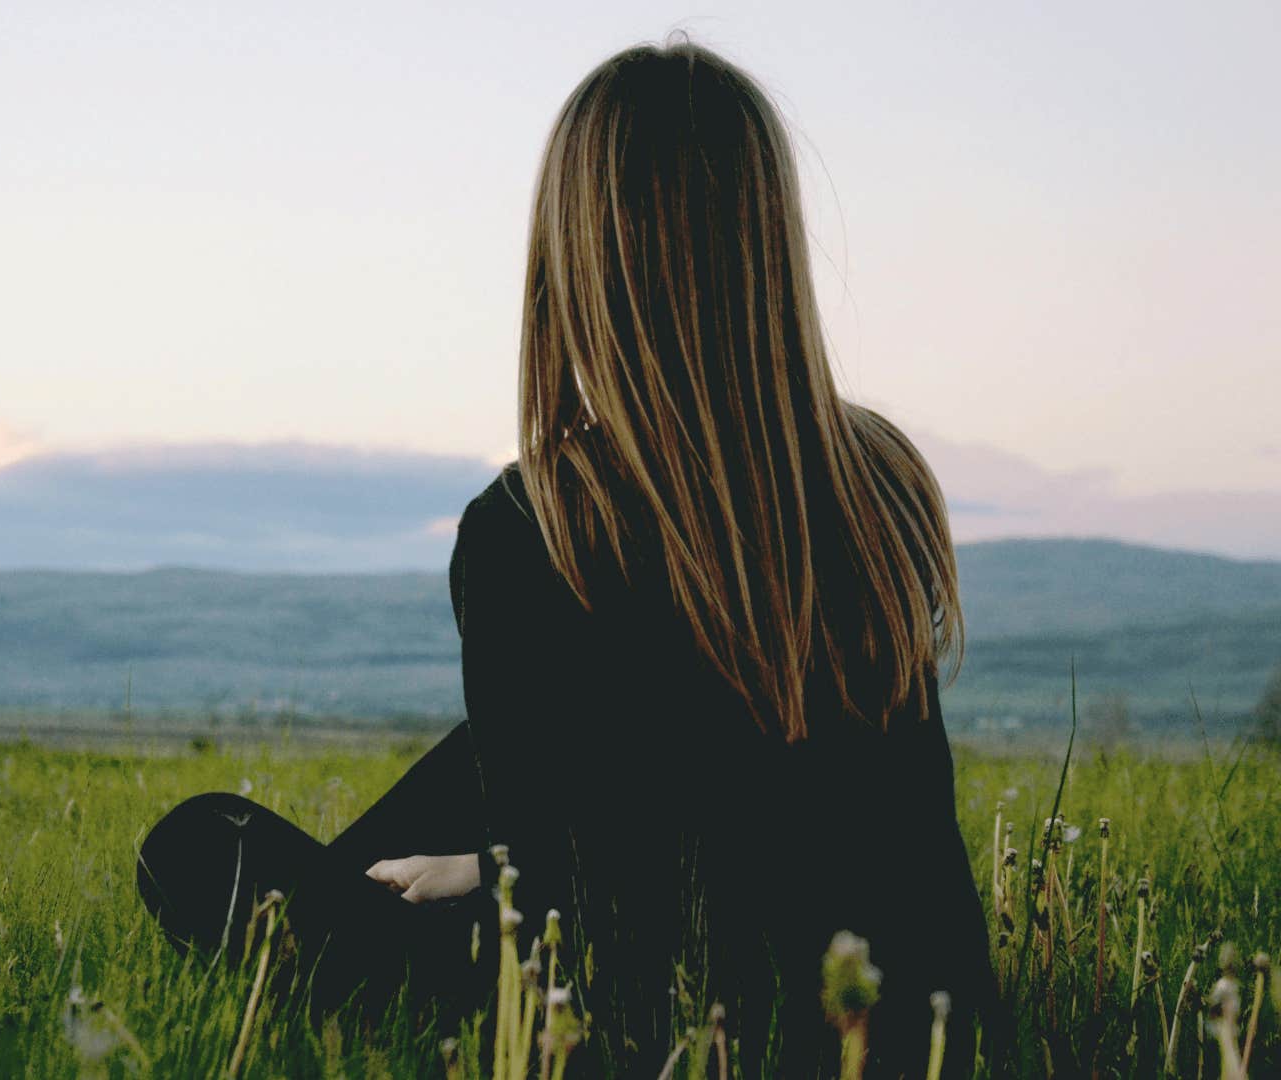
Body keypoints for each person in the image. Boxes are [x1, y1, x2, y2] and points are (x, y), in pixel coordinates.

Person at [135, 35, 994, 1077]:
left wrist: (499, 877)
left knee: (195, 847)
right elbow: (823, 822)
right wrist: (496, 863)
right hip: (900, 1015)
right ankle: (423, 879)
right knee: (477, 760)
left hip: (637, 1024)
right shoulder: (881, 479)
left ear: (581, 252)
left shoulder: (535, 526)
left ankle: (359, 924)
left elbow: (584, 935)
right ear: (769, 239)